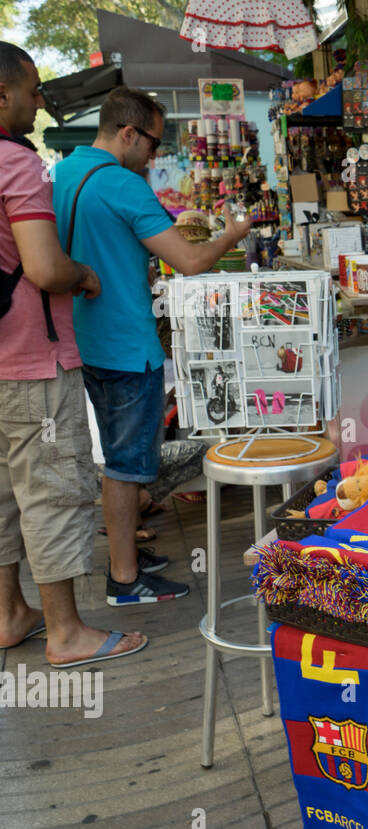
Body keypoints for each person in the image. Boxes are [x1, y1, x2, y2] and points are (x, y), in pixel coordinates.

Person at [53, 87, 251, 605]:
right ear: (127, 133)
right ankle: (124, 579)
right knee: (125, 465)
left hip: (85, 336)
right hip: (125, 343)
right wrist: (233, 234)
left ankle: (127, 556)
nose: (156, 155)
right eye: (154, 143)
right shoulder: (124, 185)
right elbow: (189, 261)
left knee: (120, 458)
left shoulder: (68, 170)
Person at [0, 42, 148, 666]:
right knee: (53, 491)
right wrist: (83, 273)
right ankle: (66, 632)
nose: (40, 104)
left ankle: (10, 613)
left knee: (7, 493)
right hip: (32, 356)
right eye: (32, 91)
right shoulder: (16, 165)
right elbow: (42, 267)